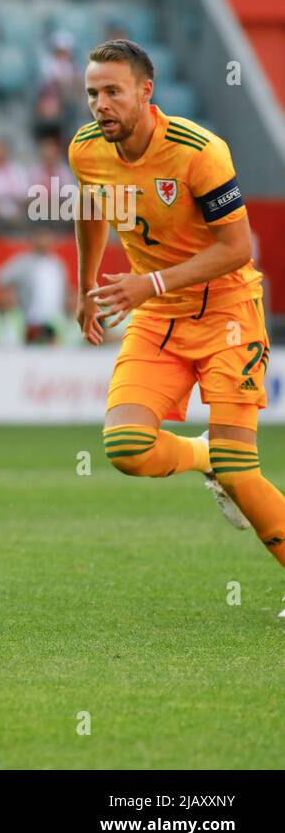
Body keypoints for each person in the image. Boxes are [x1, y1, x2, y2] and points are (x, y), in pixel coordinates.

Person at [71, 39, 285, 572]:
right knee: (126, 447)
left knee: (242, 471)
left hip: (228, 312)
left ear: (146, 91)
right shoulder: (86, 148)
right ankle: (203, 455)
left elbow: (237, 249)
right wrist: (85, 287)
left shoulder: (198, 151)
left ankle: (223, 463)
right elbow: (90, 208)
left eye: (113, 92)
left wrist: (152, 284)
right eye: (93, 93)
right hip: (159, 317)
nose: (101, 105)